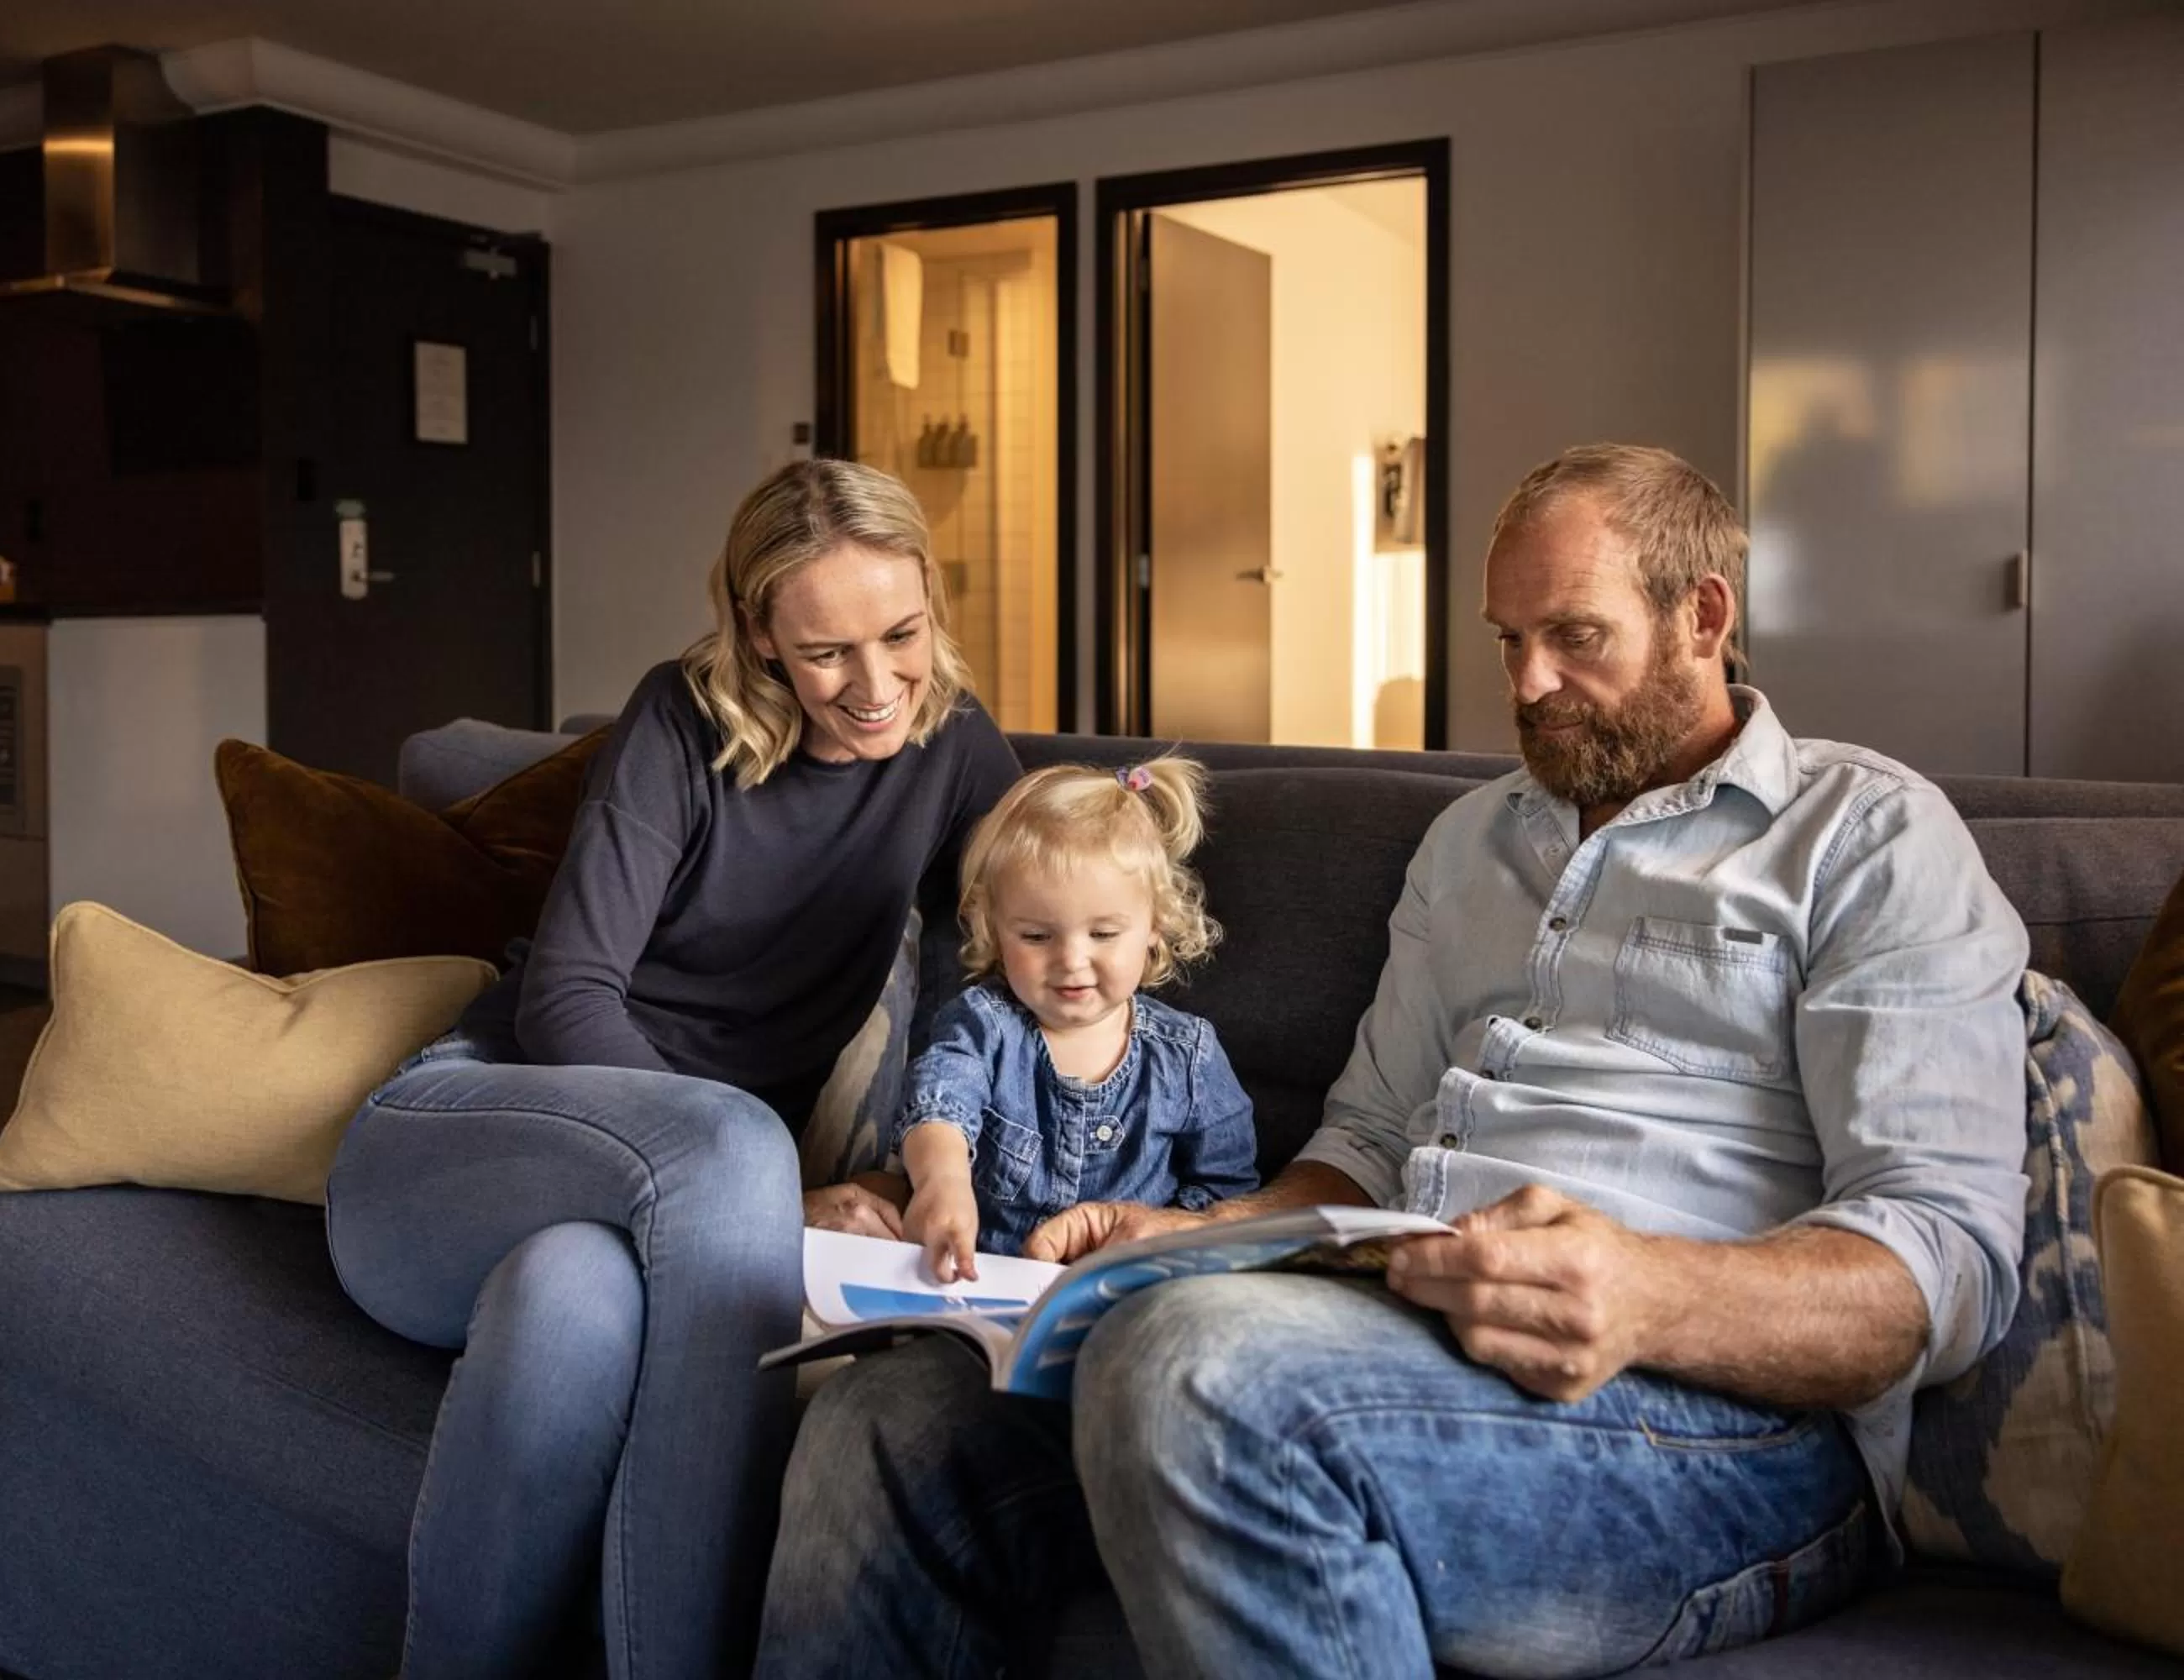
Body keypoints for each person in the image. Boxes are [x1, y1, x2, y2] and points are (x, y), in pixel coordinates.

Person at [756, 444, 2029, 1678]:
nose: (1526, 686)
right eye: (1505, 641)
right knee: (897, 1420)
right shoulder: (1471, 844)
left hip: (1722, 1429)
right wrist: (1198, 1234)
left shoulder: (1865, 835)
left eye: (1573, 637)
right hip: (1390, 1337)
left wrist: (1651, 1292)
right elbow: (1360, 1143)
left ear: (1701, 615)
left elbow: (1946, 1258)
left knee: (1195, 1366)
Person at [326, 458, 1021, 1680]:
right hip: (463, 1140)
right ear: (757, 636)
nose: (873, 688)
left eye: (901, 634)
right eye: (823, 654)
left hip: (627, 1227)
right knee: (737, 1145)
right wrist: (754, 1204)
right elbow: (570, 994)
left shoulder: (955, 750)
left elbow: (1023, 971)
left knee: (572, 1305)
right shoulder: (678, 720)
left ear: (931, 600)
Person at [897, 757, 1259, 1282]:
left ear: (1155, 925)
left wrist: (1170, 1243)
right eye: (1037, 937)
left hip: (1130, 1296)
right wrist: (942, 1181)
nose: (1071, 960)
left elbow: (1228, 1189)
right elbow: (940, 1103)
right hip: (982, 1285)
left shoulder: (1188, 1056)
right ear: (993, 929)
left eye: (1104, 934)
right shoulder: (983, 1026)